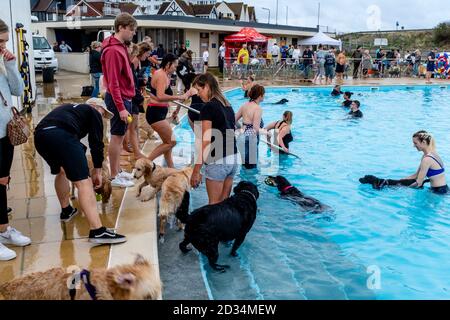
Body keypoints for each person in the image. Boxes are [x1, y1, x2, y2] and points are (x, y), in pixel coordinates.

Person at [34, 99, 127, 244]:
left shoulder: (68, 108)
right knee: (84, 182)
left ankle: (66, 210)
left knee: (61, 172)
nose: (102, 117)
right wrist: (97, 170)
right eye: (103, 112)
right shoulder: (93, 112)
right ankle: (97, 231)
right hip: (61, 136)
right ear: (96, 107)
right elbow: (96, 143)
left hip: (40, 136)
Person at [0, 19, 30, 261]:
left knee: (3, 182)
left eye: (5, 42)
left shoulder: (2, 63)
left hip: (6, 133)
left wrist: (10, 64)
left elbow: (18, 91)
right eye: (0, 41)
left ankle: (3, 230)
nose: (3, 46)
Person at [190, 73, 239, 205]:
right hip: (233, 159)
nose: (198, 95)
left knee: (214, 207)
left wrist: (196, 170)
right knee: (224, 206)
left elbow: (206, 140)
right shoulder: (228, 106)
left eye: (199, 91)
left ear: (206, 86)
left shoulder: (208, 107)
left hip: (218, 159)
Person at [101, 13, 137, 188]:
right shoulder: (113, 50)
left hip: (123, 98)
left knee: (120, 136)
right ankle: (114, 175)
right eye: (131, 29)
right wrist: (121, 108)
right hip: (119, 99)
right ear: (121, 27)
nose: (133, 33)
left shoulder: (119, 46)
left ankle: (118, 170)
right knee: (116, 137)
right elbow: (113, 83)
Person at [146, 54, 193, 168]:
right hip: (155, 113)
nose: (176, 68)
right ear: (168, 64)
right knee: (171, 142)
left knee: (167, 143)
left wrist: (174, 110)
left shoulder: (165, 74)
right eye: (175, 66)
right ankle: (145, 163)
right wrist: (180, 97)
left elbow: (157, 95)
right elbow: (161, 96)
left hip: (159, 112)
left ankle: (171, 168)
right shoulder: (161, 75)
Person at [129, 42, 152, 160]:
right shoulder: (134, 61)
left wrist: (142, 81)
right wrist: (141, 82)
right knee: (133, 126)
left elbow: (134, 79)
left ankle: (133, 147)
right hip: (132, 97)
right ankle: (136, 152)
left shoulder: (137, 62)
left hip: (134, 96)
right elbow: (131, 82)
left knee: (133, 126)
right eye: (147, 53)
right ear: (141, 52)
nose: (147, 56)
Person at [235, 84, 265, 169]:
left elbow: (233, 120)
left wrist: (241, 127)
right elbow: (255, 128)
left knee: (244, 165)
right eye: (264, 94)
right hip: (251, 139)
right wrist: (266, 133)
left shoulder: (244, 105)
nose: (264, 96)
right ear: (260, 95)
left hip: (242, 137)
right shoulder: (257, 108)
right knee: (251, 168)